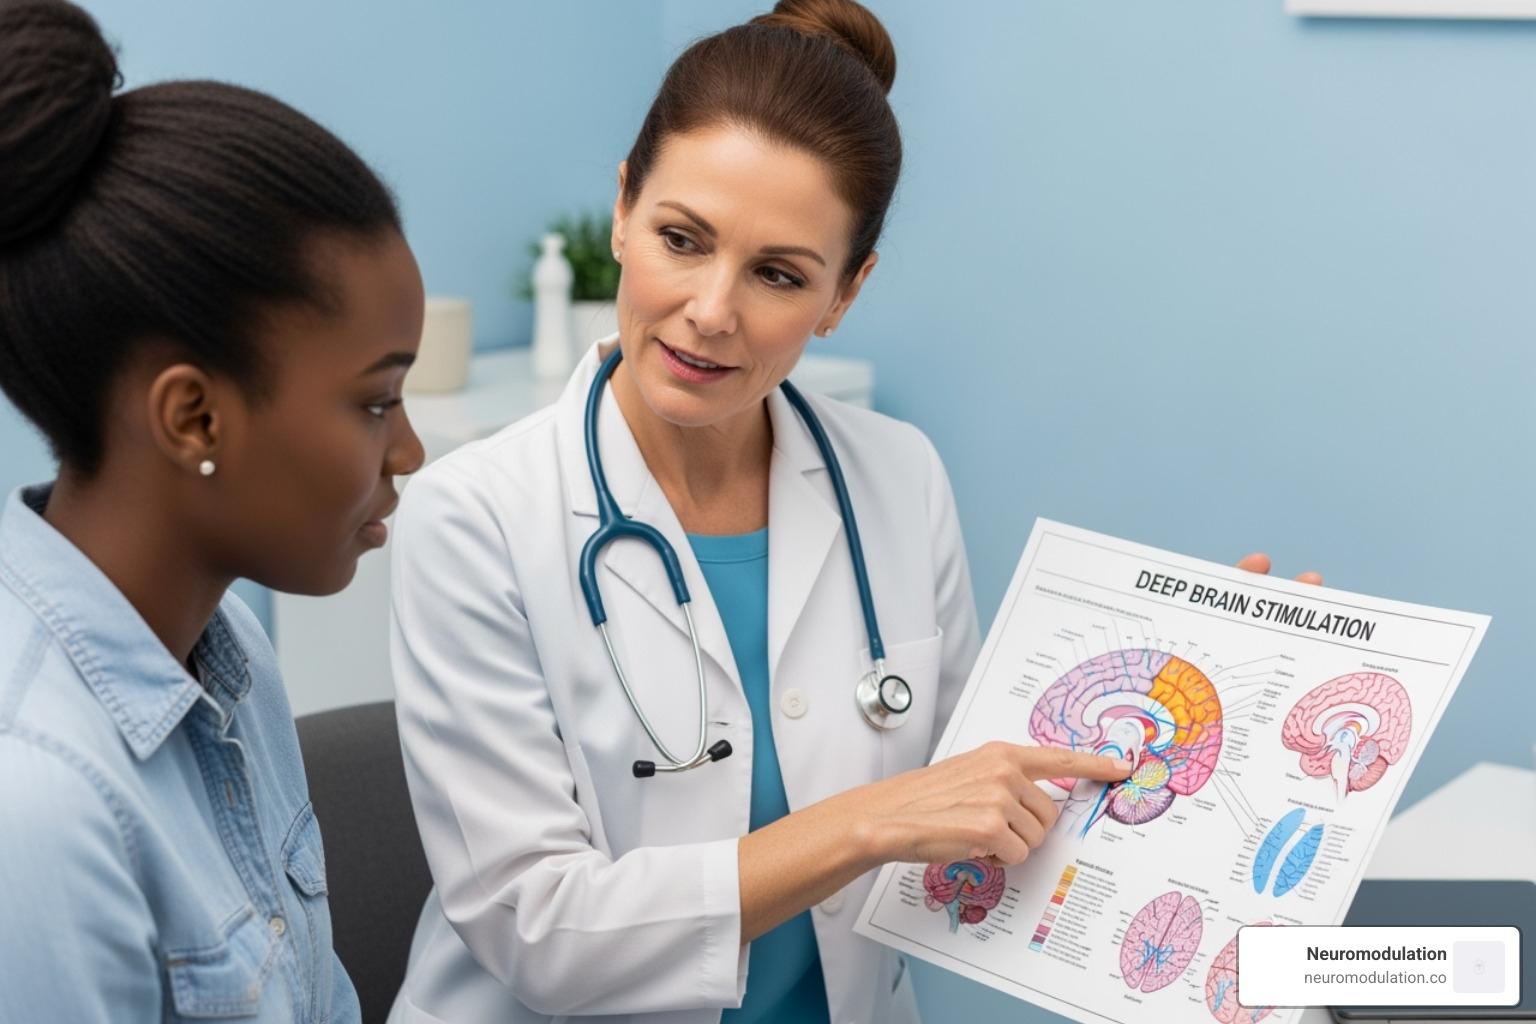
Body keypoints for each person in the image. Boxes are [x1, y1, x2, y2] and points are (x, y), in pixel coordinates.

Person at [387, 3, 1313, 1022]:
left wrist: (1191, 691)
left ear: (845, 293)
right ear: (622, 209)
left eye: (779, 273)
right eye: (681, 239)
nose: (712, 309)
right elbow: (541, 929)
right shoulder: (471, 519)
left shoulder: (896, 476)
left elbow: (983, 811)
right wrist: (868, 823)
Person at [0, 2, 425, 1021]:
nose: (409, 452)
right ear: (193, 416)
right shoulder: (39, 806)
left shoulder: (226, 643)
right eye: (374, 401)